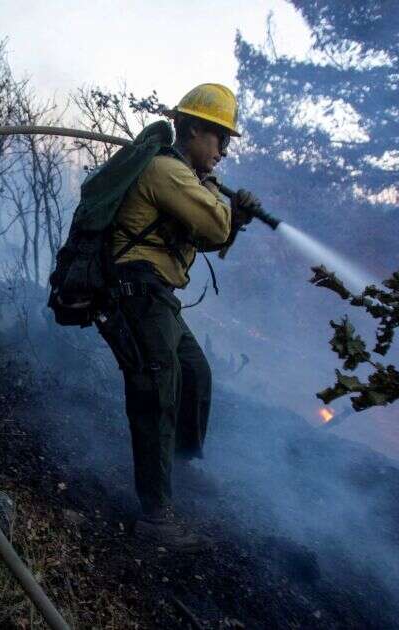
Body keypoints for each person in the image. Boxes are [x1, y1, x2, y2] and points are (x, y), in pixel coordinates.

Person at [100, 83, 262, 552]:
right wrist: (224, 204)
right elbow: (214, 224)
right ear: (192, 129)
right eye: (219, 138)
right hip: (137, 291)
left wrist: (238, 218)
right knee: (157, 392)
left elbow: (213, 239)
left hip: (158, 296)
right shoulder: (167, 171)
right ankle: (156, 517)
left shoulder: (186, 178)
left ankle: (181, 467)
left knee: (195, 373)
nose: (224, 151)